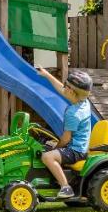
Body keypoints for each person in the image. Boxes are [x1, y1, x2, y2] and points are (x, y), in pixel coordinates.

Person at [36, 68, 93, 199]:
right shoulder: (84, 102)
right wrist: (47, 75)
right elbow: (60, 89)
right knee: (46, 144)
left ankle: (65, 187)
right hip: (77, 147)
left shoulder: (73, 113)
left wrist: (56, 147)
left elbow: (66, 139)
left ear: (71, 91)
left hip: (76, 151)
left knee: (47, 156)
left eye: (66, 86)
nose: (63, 87)